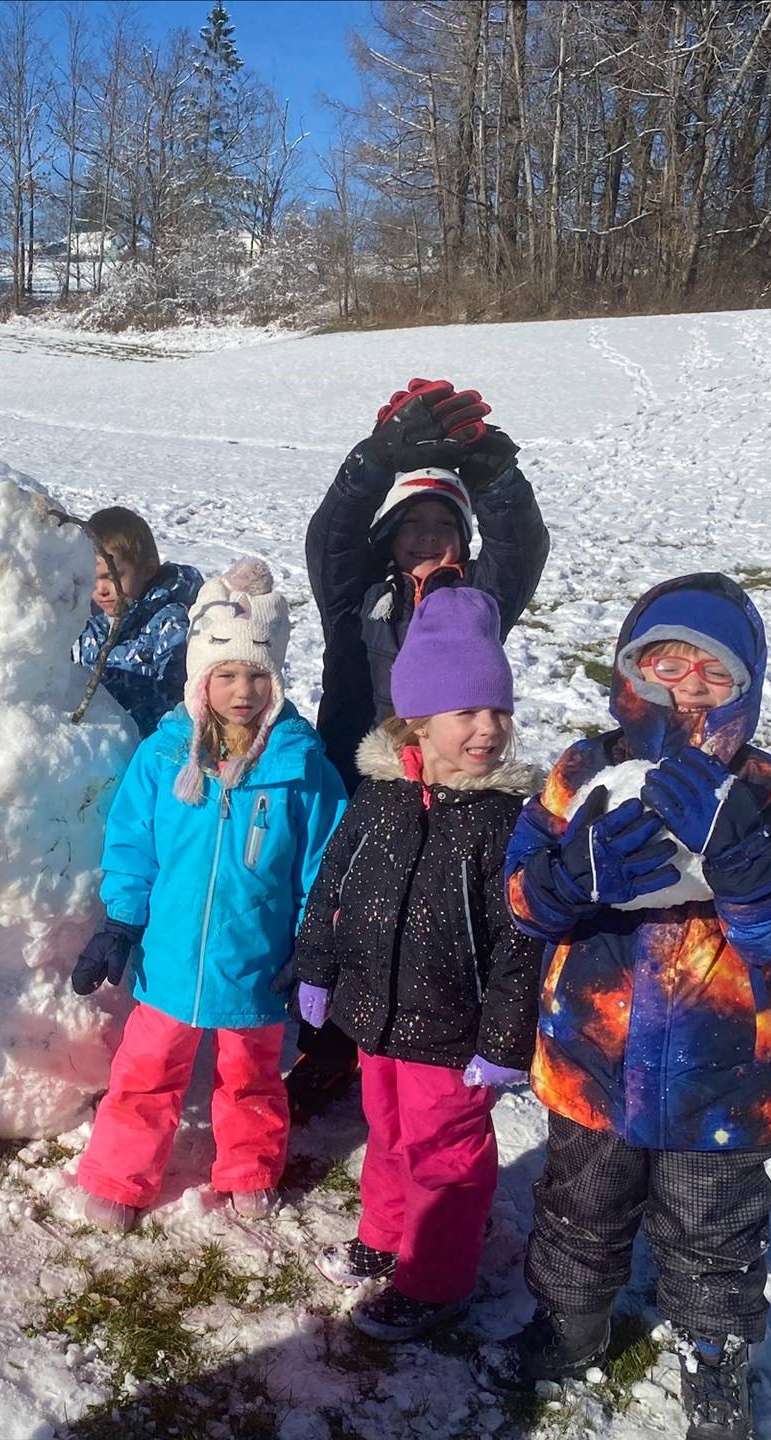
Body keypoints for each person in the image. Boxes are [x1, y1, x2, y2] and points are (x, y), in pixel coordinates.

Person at [484, 574, 771, 1440]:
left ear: (747, 689)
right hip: (591, 1063)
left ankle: (713, 1358)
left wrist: (741, 855)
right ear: (631, 672)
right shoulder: (583, 772)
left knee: (714, 1233)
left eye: (714, 675)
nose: (687, 690)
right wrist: (569, 879)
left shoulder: (770, 793)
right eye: (667, 665)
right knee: (576, 1211)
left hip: (721, 1081)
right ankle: (568, 1325)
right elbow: (519, 900)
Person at [291, 379, 551, 1122]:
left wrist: (492, 472)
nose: (428, 538)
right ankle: (329, 1046)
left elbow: (521, 543)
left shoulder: (481, 601)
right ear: (387, 537)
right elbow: (330, 538)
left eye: (445, 524)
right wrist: (372, 462)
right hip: (359, 776)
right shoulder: (354, 598)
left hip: (452, 792)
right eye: (412, 526)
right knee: (347, 914)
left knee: (430, 921)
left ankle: (431, 1039)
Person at [293, 589, 545, 1342]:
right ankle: (384, 1236)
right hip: (376, 1014)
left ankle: (435, 1281)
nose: (488, 729)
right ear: (417, 721)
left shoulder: (507, 823)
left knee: (447, 1155)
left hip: (453, 1029)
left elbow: (520, 944)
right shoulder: (378, 799)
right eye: (467, 712)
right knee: (388, 1131)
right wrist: (315, 965)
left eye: (498, 712)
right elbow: (331, 883)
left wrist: (503, 1045)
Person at [70, 557, 347, 1231]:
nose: (242, 689)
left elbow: (326, 864)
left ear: (277, 680)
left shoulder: (301, 768)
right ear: (201, 680)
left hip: (255, 961)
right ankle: (119, 1174)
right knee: (145, 1072)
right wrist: (122, 922)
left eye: (257, 674)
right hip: (169, 959)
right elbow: (134, 843)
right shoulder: (165, 756)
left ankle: (249, 1168)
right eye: (226, 674)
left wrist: (316, 946)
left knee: (251, 1077)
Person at [72, 506, 203, 737]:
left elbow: (177, 701)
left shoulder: (168, 622)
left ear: (148, 569)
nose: (101, 590)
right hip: (98, 741)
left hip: (148, 745)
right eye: (92, 579)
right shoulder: (88, 620)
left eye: (112, 577)